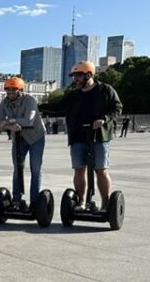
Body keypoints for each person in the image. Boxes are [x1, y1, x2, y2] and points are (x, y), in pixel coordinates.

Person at [42, 60, 122, 211]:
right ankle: (82, 202)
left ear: (88, 75)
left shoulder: (105, 90)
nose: (75, 79)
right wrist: (38, 106)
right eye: (74, 76)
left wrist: (103, 119)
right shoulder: (73, 94)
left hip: (99, 136)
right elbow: (57, 106)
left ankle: (106, 205)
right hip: (77, 136)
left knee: (101, 170)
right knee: (79, 169)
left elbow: (117, 108)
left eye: (78, 75)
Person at [0, 77, 46, 210]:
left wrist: (7, 122)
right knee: (17, 168)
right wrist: (9, 126)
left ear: (20, 90)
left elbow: (28, 120)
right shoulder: (4, 103)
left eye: (14, 89)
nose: (10, 92)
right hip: (18, 138)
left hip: (36, 137)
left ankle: (34, 201)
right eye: (8, 89)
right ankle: (16, 200)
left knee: (35, 169)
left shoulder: (30, 100)